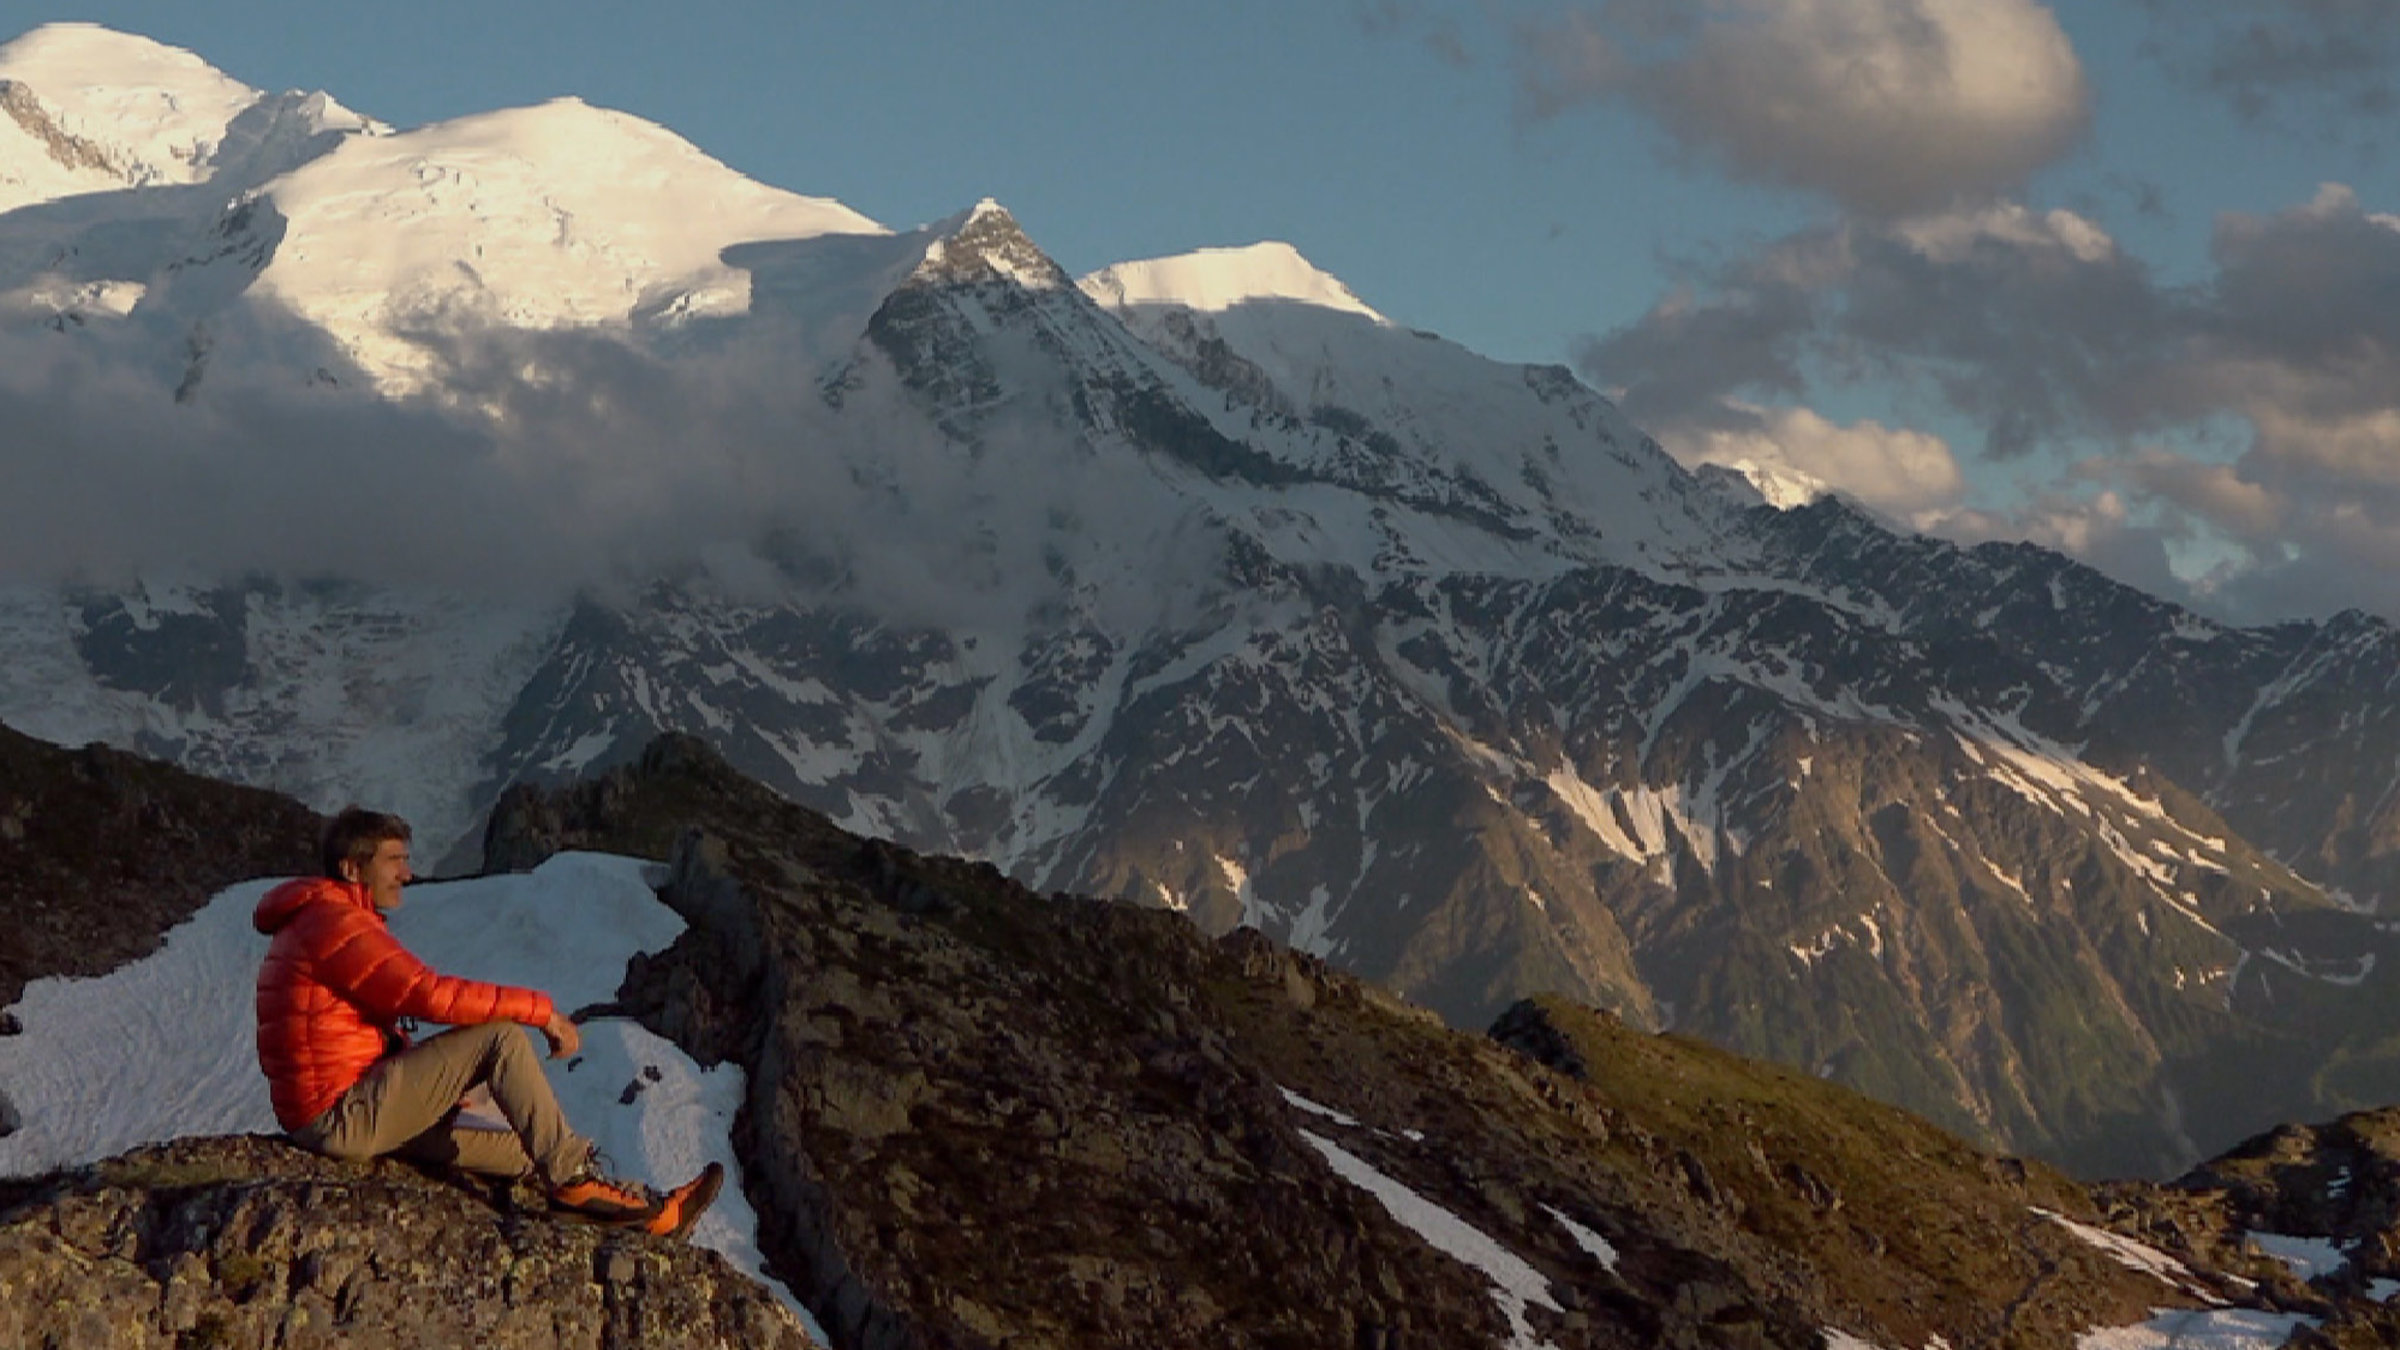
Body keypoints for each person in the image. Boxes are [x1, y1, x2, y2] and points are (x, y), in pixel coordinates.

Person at [254, 806, 721, 1236]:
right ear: (352, 868)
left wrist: (437, 1090)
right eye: (393, 860)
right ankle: (575, 1181)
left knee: (530, 1149)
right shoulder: (332, 923)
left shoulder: (329, 919)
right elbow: (428, 995)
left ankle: (651, 1217)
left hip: (348, 1109)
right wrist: (542, 1013)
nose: (407, 873)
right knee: (501, 1039)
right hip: (342, 1117)